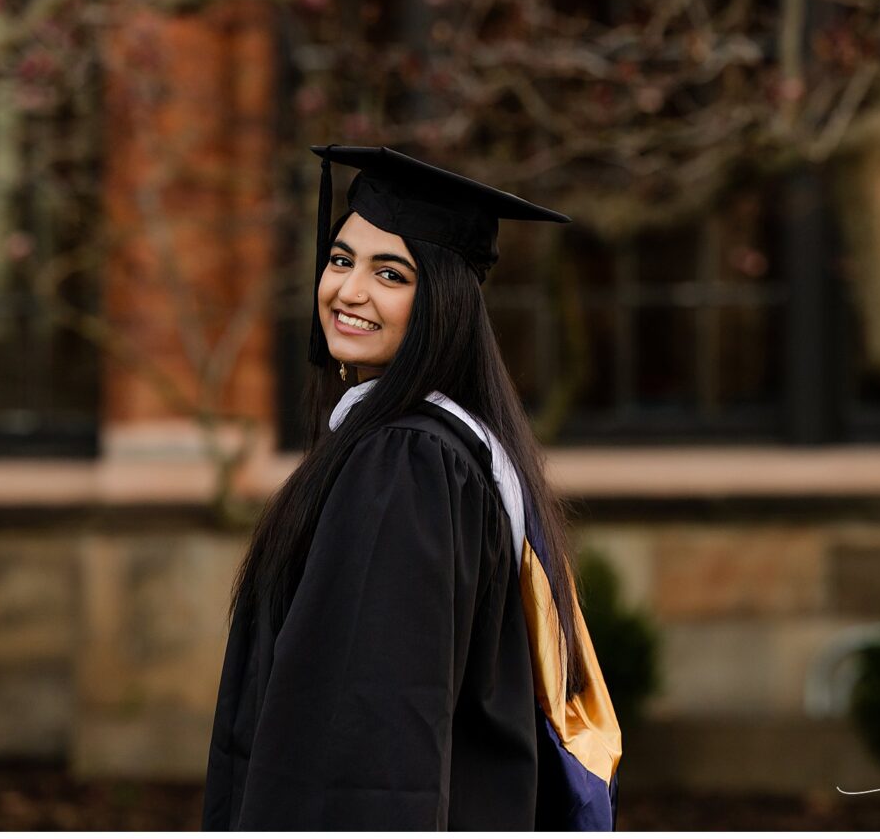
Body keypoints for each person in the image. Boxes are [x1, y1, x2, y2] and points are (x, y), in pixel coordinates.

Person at [203, 146, 622, 830]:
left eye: (390, 273)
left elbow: (374, 736)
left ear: (444, 301)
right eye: (341, 260)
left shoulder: (407, 465)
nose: (348, 291)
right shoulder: (434, 450)